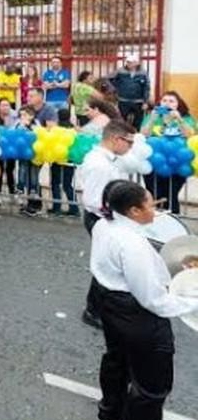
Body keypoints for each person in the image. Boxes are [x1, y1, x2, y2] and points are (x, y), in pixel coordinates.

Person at [90, 179, 198, 420]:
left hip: (110, 302)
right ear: (134, 211)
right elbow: (154, 300)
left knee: (117, 359)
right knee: (152, 385)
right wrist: (191, 302)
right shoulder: (132, 244)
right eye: (150, 204)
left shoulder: (105, 224)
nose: (156, 208)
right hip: (136, 314)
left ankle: (110, 413)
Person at [77, 119, 135, 329]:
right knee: (107, 265)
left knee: (110, 263)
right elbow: (93, 200)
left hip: (106, 217)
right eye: (129, 142)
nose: (131, 147)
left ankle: (100, 307)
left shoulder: (108, 159)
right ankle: (93, 311)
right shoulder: (100, 164)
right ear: (115, 139)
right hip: (101, 219)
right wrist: (118, 215)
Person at [140, 90, 195, 215]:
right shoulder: (152, 117)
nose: (167, 103)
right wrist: (152, 119)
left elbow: (190, 135)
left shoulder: (186, 118)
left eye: (171, 101)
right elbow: (143, 134)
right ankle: (154, 219)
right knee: (154, 194)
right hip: (154, 162)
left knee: (171, 195)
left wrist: (179, 119)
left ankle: (173, 219)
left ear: (178, 104)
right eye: (164, 100)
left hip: (176, 163)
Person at [48, 108, 77, 217]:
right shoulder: (73, 130)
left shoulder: (56, 130)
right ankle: (74, 208)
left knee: (55, 184)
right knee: (67, 185)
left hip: (57, 160)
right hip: (70, 160)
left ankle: (57, 207)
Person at [109, 55, 151, 128]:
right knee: (122, 120)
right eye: (128, 62)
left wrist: (145, 102)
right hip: (123, 101)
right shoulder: (120, 71)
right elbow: (109, 78)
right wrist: (116, 88)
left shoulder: (143, 72)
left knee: (138, 121)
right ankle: (122, 133)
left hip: (138, 102)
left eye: (131, 62)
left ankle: (135, 133)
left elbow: (146, 87)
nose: (129, 64)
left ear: (137, 63)